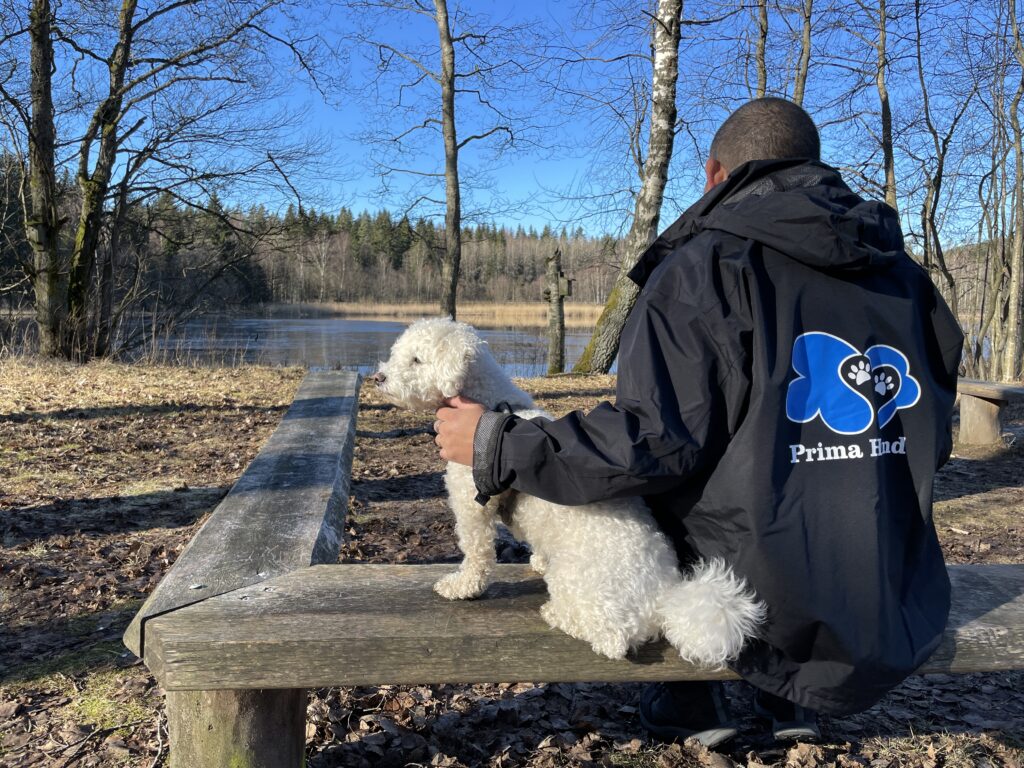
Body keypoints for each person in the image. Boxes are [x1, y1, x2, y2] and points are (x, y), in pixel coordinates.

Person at [434, 97, 963, 746]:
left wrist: (497, 441)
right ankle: (782, 706)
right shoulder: (903, 275)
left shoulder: (706, 266)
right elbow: (933, 435)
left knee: (663, 496)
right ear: (812, 166)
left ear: (715, 173)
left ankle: (693, 705)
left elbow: (650, 441)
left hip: (752, 603)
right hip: (889, 594)